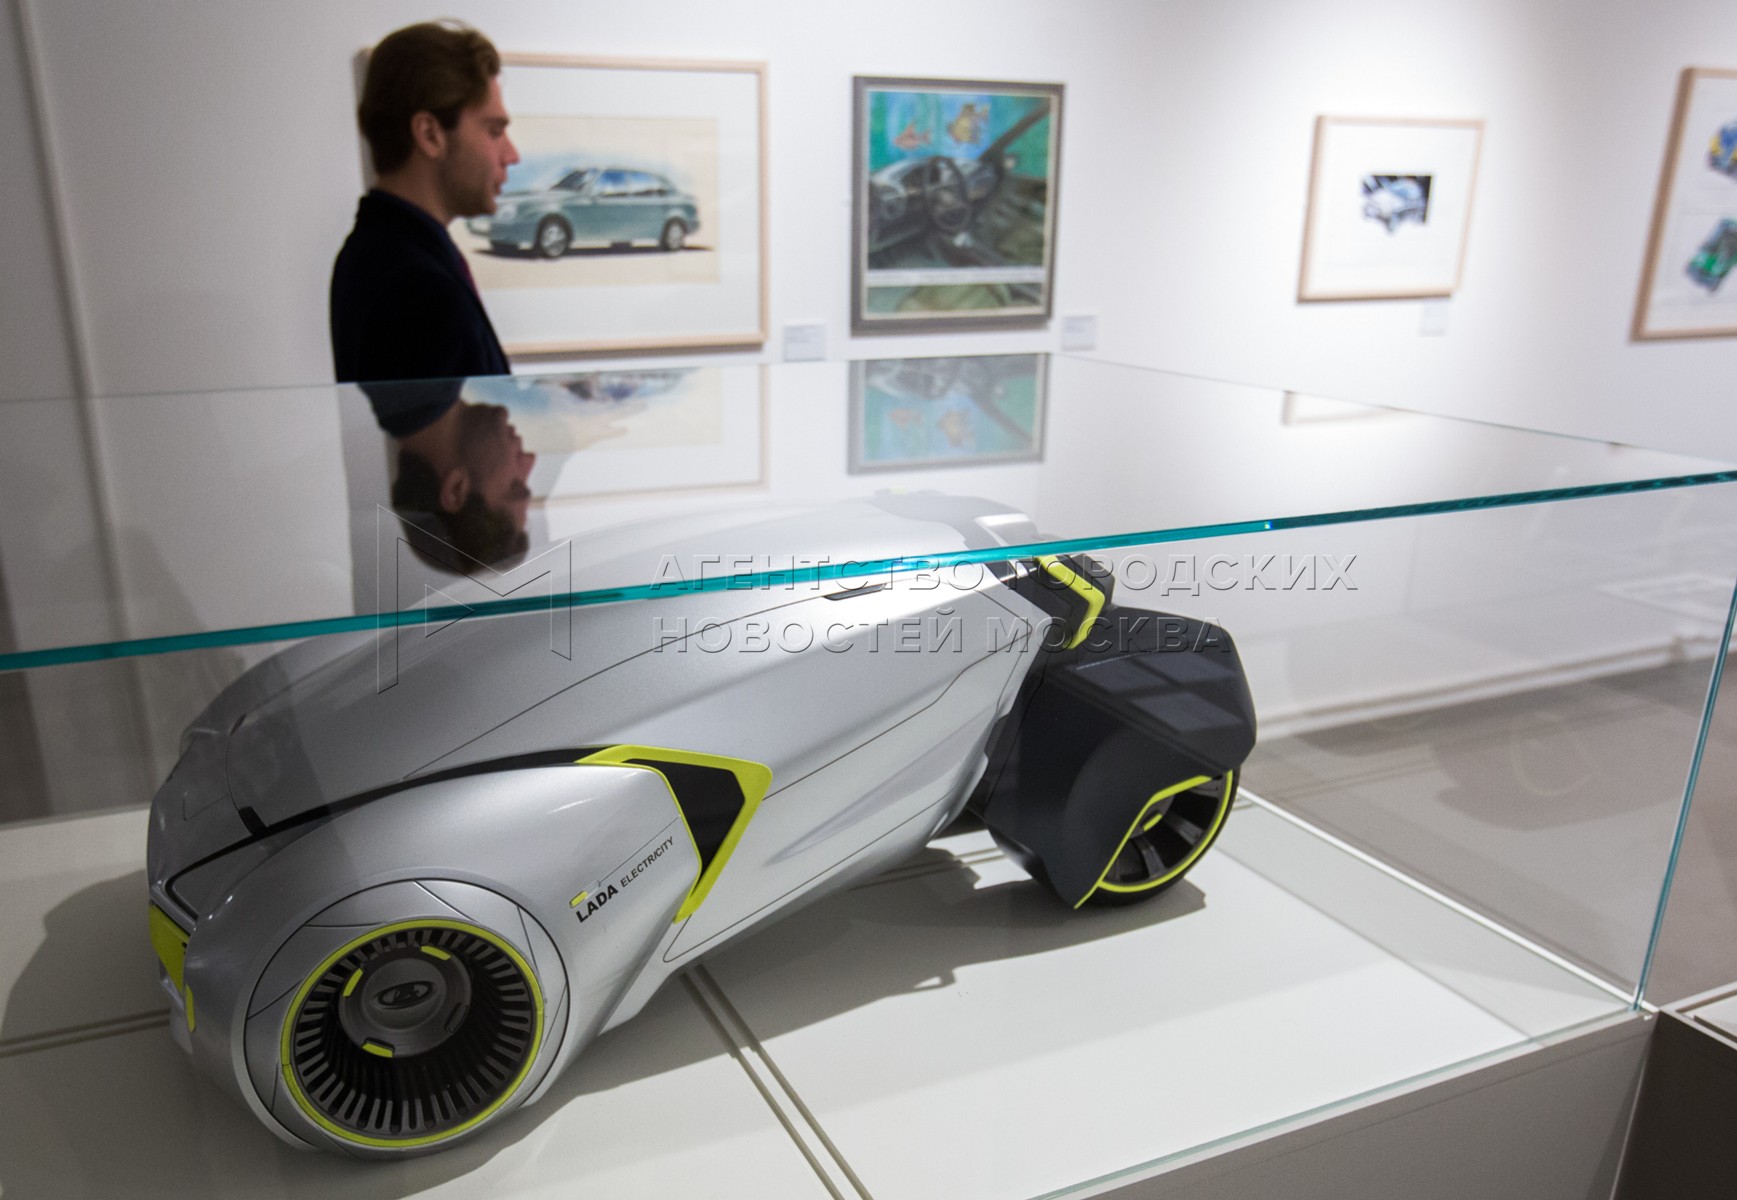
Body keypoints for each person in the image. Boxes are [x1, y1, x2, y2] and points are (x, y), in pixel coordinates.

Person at [330, 20, 519, 435]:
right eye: (493, 131)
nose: (511, 154)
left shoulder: (384, 254)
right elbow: (441, 464)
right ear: (430, 134)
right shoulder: (413, 284)